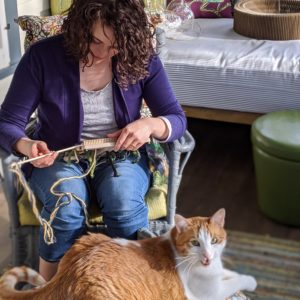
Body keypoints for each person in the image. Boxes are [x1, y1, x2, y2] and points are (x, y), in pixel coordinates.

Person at [0, 0, 186, 281]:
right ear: (79, 27)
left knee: (123, 205)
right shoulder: (42, 57)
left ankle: (125, 285)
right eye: (96, 41)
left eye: (114, 47)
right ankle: (50, 290)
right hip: (58, 156)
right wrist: (26, 146)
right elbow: (8, 123)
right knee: (65, 210)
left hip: (122, 157)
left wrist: (150, 124)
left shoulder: (139, 56)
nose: (104, 53)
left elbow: (176, 118)